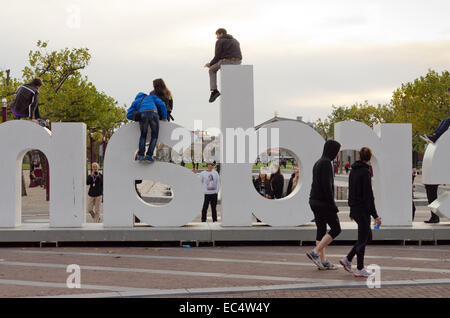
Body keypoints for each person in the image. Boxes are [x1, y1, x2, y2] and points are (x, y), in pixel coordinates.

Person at [340, 147, 382, 277]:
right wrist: (375, 216)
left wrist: (351, 209)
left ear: (359, 156)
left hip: (356, 209)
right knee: (363, 239)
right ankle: (359, 268)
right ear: (369, 157)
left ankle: (348, 258)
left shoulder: (353, 171)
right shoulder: (365, 172)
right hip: (363, 210)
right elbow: (368, 195)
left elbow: (351, 191)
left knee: (366, 236)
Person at [306, 140, 342, 270]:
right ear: (332, 151)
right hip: (323, 202)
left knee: (321, 230)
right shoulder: (327, 163)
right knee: (336, 229)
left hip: (314, 201)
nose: (337, 155)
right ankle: (315, 253)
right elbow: (327, 187)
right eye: (337, 152)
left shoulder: (318, 162)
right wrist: (333, 205)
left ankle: (323, 261)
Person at [127, 90, 168, 162]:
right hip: (153, 113)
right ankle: (149, 155)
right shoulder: (151, 97)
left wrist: (137, 119)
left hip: (143, 115)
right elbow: (162, 105)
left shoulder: (136, 101)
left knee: (143, 136)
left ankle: (140, 155)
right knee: (154, 136)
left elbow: (129, 115)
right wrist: (164, 117)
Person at [204, 28, 242, 103]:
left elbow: (217, 56)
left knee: (211, 69)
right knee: (219, 63)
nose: (216, 37)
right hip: (238, 61)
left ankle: (214, 91)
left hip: (227, 61)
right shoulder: (235, 40)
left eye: (217, 35)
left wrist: (210, 64)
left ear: (221, 34)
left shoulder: (220, 41)